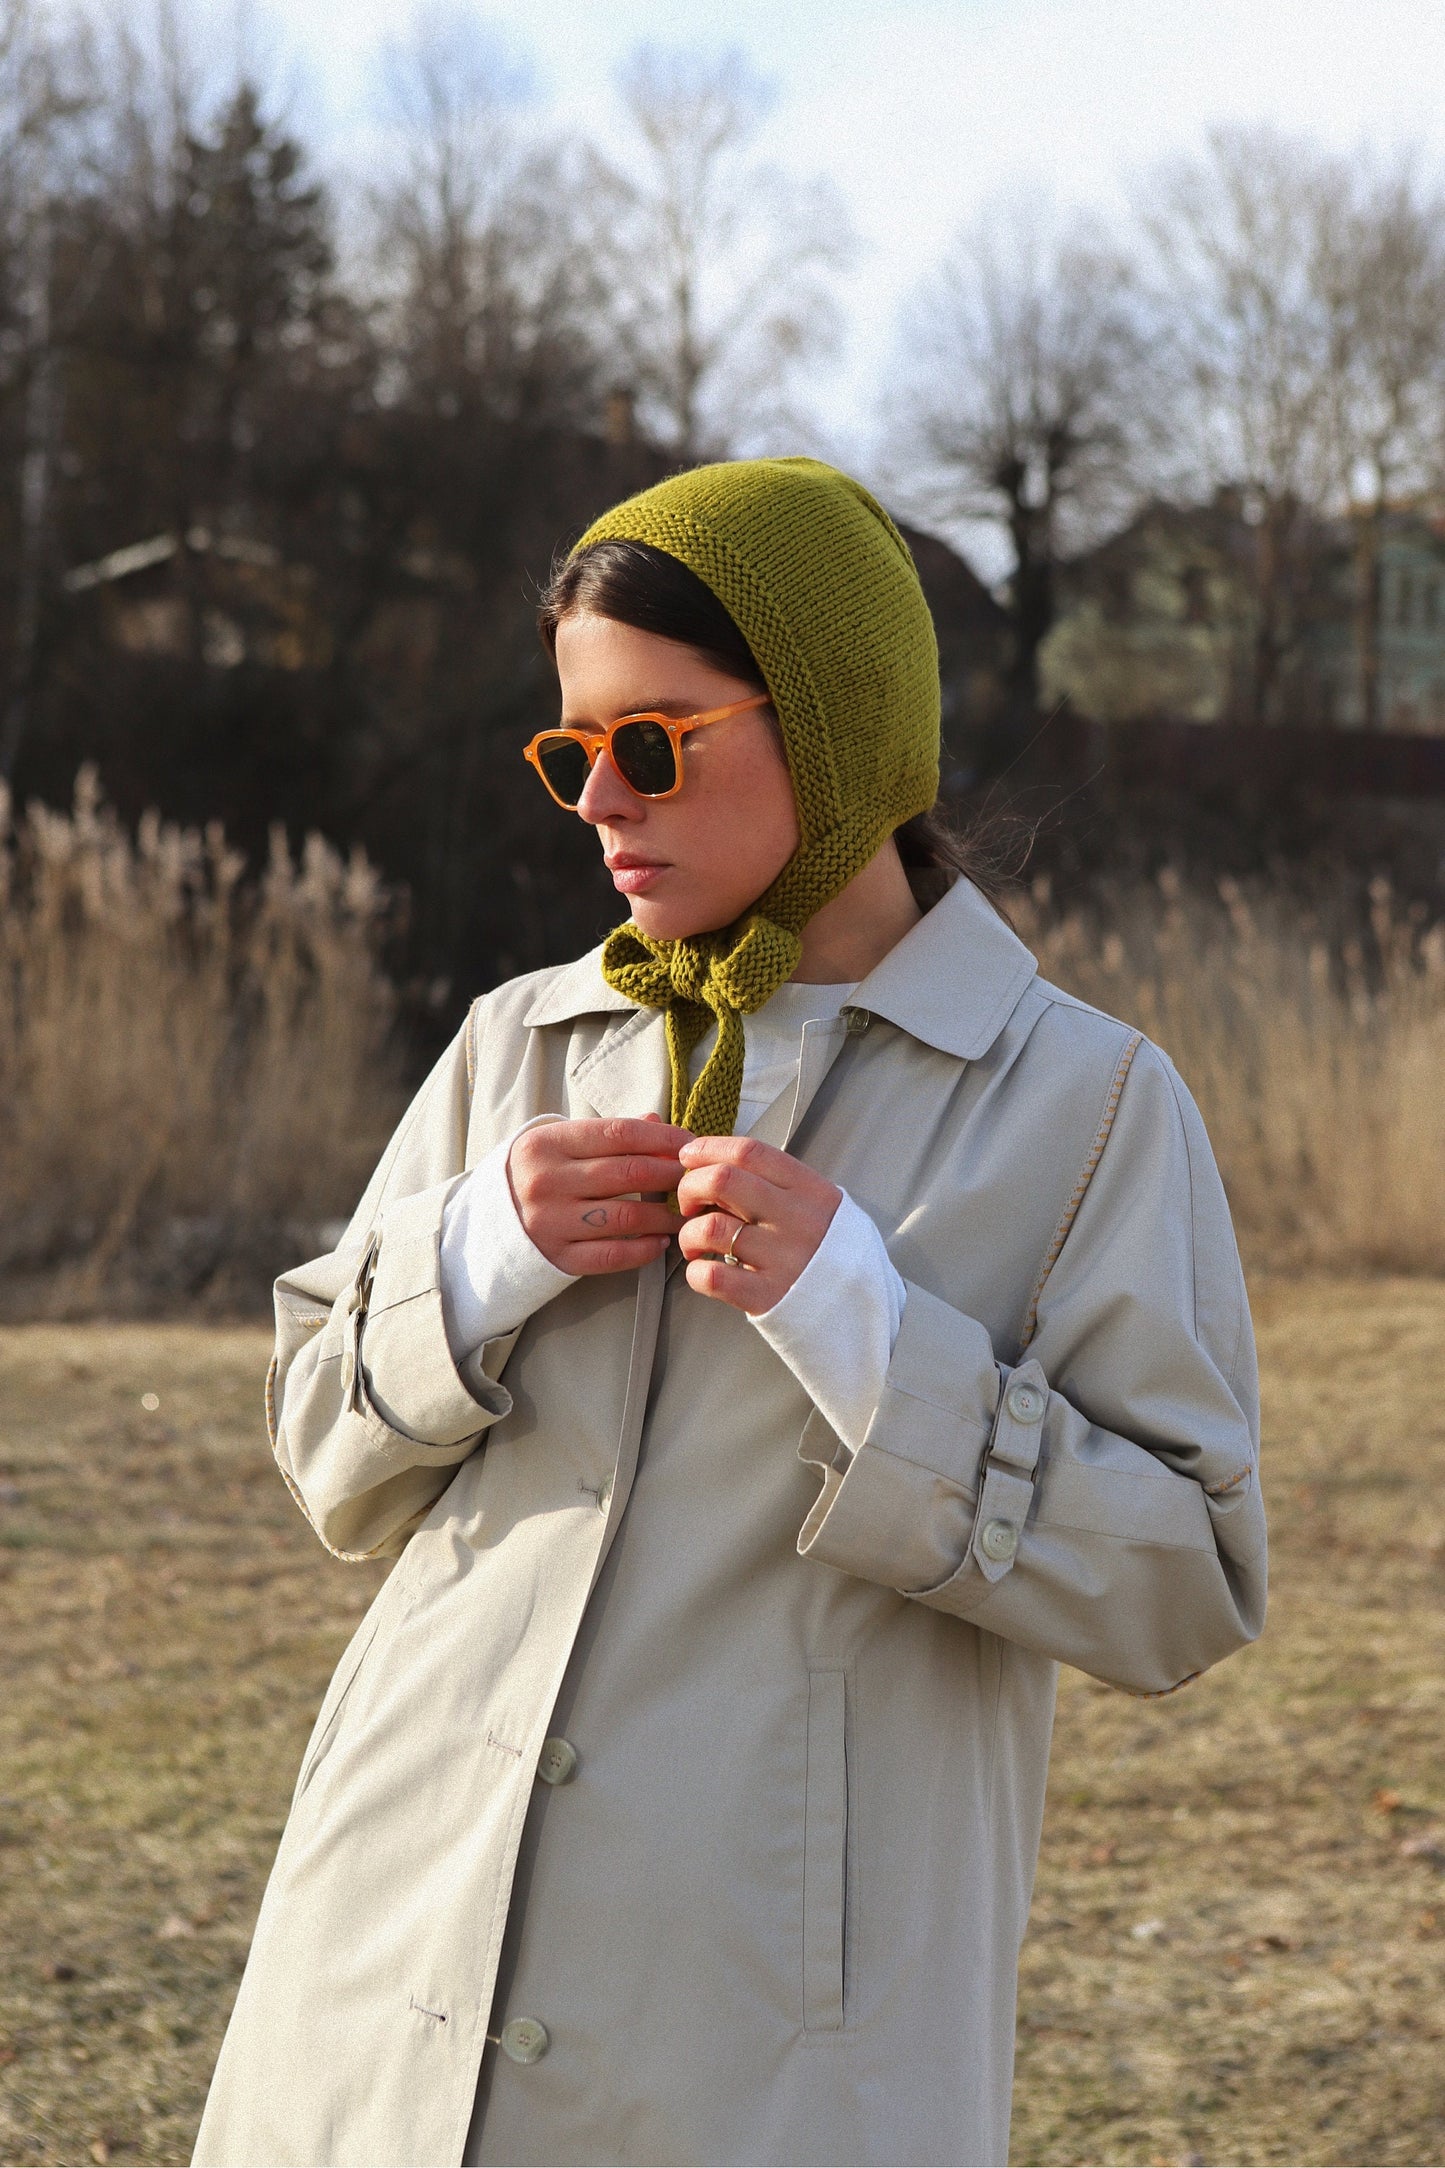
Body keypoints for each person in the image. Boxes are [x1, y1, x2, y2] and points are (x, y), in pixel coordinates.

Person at [192, 457, 1266, 2168]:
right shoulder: (516, 1048)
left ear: (833, 726)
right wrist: (473, 1264)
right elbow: (322, 1457)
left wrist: (878, 1345)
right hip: (387, 1982)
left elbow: (1186, 1588)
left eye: (654, 742)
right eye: (572, 753)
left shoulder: (1086, 1107)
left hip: (763, 2062)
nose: (601, 804)